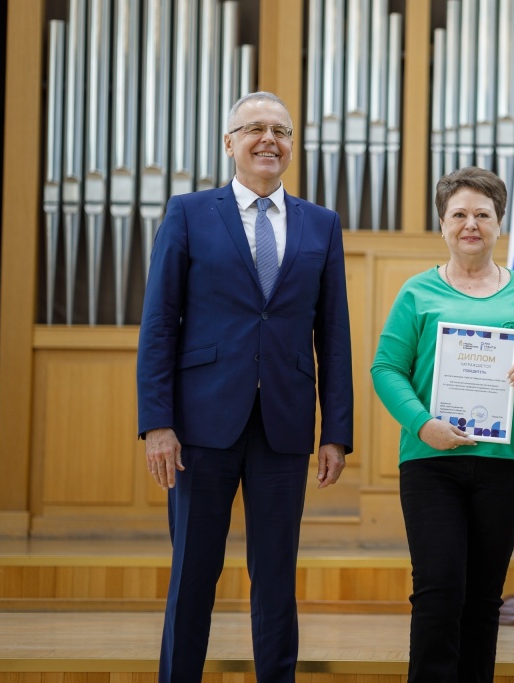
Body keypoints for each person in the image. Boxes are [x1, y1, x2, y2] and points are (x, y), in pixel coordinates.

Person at [137, 91, 353, 683]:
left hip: (283, 425)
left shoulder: (321, 224)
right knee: (193, 573)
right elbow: (159, 324)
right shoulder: (187, 213)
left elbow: (333, 334)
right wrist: (158, 422)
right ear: (228, 142)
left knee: (277, 576)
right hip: (200, 423)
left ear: (291, 144)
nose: (268, 140)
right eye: (253, 128)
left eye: (280, 129)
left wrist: (336, 430)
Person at [371, 166, 514, 682]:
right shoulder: (417, 293)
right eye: (459, 214)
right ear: (442, 223)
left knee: (483, 599)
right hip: (431, 462)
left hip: (505, 465)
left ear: (499, 223)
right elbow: (386, 369)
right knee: (438, 591)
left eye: (482, 214)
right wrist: (422, 424)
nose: (470, 224)